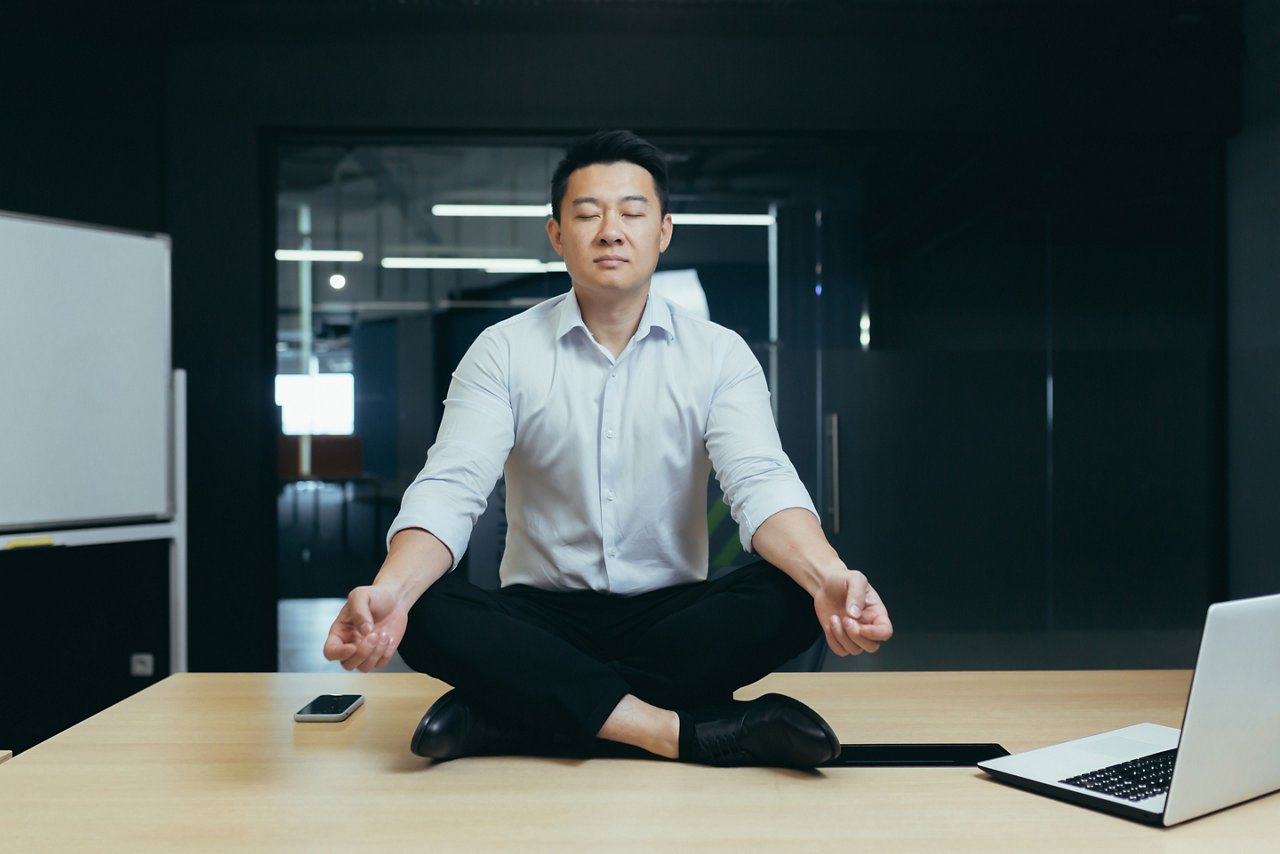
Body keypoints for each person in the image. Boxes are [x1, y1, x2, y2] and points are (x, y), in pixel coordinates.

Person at [323, 130, 893, 768]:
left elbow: (759, 481)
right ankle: (675, 731)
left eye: (632, 211)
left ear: (664, 231)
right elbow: (452, 487)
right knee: (424, 607)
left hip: (673, 619)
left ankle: (514, 713)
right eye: (588, 213)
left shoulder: (719, 354)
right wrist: (391, 594)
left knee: (791, 595)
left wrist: (828, 578)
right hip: (541, 616)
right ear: (557, 235)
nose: (610, 230)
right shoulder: (502, 350)